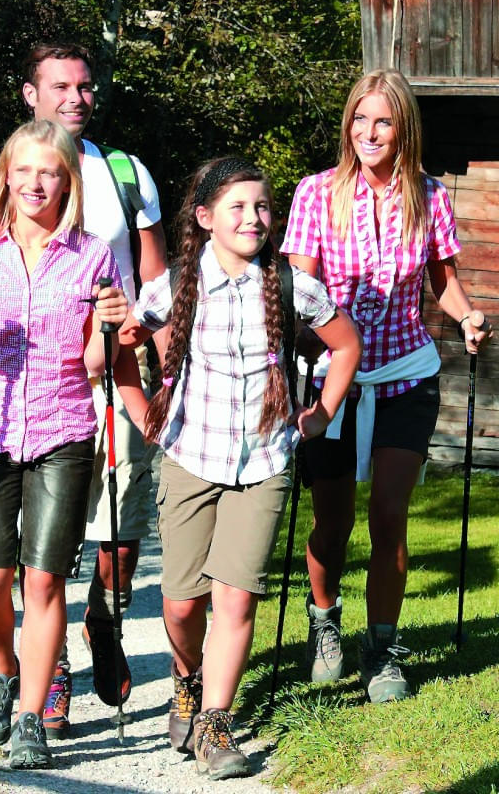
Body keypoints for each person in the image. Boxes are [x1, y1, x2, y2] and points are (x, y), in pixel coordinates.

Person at [124, 157, 362, 778]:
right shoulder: (173, 285)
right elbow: (118, 346)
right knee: (180, 604)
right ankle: (186, 679)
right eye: (237, 207)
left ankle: (215, 722)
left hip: (264, 460)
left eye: (261, 207)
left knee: (236, 598)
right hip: (188, 456)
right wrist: (139, 409)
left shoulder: (290, 285)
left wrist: (321, 414)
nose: (254, 219)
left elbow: (346, 345)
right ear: (205, 219)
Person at [0, 119, 141, 768]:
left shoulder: (92, 254)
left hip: (63, 430)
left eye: (49, 171)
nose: (35, 183)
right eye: (23, 171)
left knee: (43, 582)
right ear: (4, 177)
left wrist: (112, 329)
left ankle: (29, 720)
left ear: (67, 180)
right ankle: (1, 669)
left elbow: (95, 363)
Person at [0, 43, 164, 732]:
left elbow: (156, 282)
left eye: (84, 87)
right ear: (31, 95)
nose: (76, 98)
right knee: (30, 562)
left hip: (121, 371)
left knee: (122, 530)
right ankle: (45, 681)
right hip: (32, 392)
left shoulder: (124, 173)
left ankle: (104, 619)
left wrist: (162, 368)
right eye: (61, 87)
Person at [280, 69, 494, 704]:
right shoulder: (317, 193)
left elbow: (442, 282)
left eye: (383, 121)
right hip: (332, 379)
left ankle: (382, 649)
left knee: (389, 518)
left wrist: (468, 317)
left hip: (407, 374)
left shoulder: (430, 196)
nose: (369, 132)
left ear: (404, 130)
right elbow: (301, 292)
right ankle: (325, 626)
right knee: (333, 519)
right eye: (359, 119)